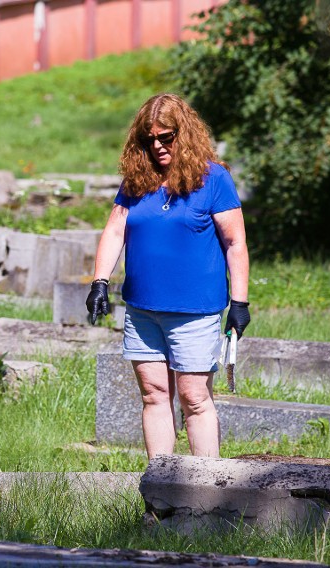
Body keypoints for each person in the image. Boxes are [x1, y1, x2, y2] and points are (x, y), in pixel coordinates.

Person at [86, 93, 250, 459]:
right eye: (149, 140)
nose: (158, 146)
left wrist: (240, 302)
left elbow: (235, 242)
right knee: (155, 395)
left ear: (184, 134)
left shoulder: (213, 179)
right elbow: (115, 230)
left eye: (166, 137)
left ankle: (207, 494)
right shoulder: (137, 181)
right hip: (143, 312)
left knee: (194, 398)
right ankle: (161, 494)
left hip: (195, 312)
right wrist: (99, 281)